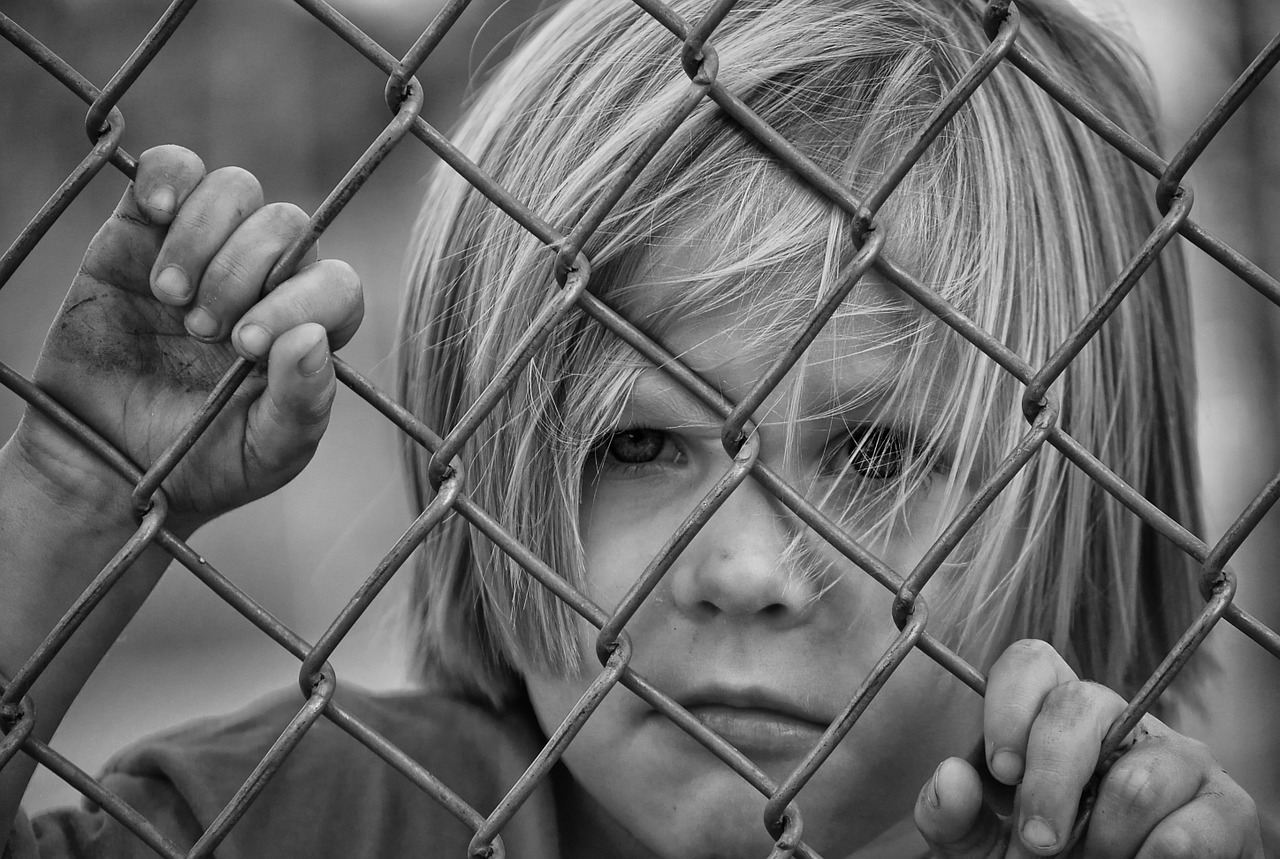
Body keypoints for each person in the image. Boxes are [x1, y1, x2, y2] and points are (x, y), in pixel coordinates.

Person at [0, 0, 1266, 856]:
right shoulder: (333, 815)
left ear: (1088, 508)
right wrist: (65, 499)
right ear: (481, 472)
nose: (744, 572)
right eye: (636, 445)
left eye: (877, 454)